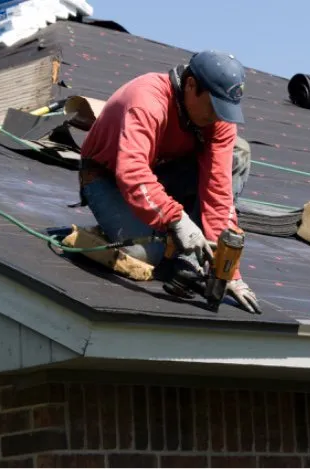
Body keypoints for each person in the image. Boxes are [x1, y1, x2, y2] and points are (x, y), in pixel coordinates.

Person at [76, 50, 260, 313]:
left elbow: (219, 194)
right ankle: (121, 232)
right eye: (214, 108)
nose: (219, 117)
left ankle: (187, 252)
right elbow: (132, 173)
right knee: (146, 255)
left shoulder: (217, 118)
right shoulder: (147, 100)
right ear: (191, 85)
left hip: (160, 176)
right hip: (108, 179)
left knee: (238, 152)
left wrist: (229, 269)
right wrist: (177, 220)